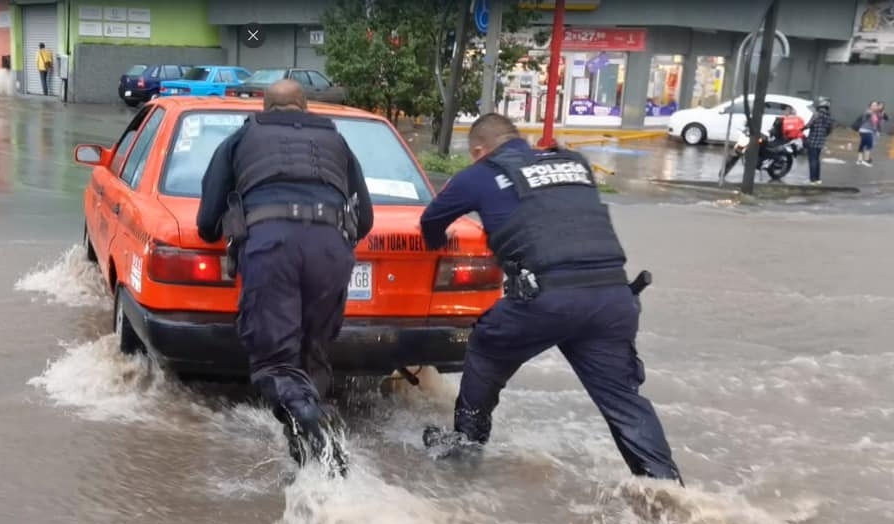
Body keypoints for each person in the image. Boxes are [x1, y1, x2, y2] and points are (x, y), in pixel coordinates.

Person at [418, 113, 683, 485]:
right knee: (625, 403)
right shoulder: (574, 163)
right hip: (613, 299)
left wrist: (441, 242)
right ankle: (666, 490)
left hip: (544, 300)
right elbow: (559, 215)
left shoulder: (478, 174)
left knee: (486, 346)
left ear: (479, 150)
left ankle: (466, 446)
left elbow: (431, 224)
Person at [196, 79, 374, 475]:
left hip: (272, 248)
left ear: (265, 107)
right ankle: (316, 466)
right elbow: (365, 219)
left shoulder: (240, 140)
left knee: (276, 363)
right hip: (331, 250)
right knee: (312, 355)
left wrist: (222, 232)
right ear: (305, 106)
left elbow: (207, 220)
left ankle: (319, 433)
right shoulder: (339, 143)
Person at [804, 96, 834, 185]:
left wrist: (801, 129)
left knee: (812, 160)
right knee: (817, 160)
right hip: (821, 142)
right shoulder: (829, 116)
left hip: (812, 141)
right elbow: (829, 129)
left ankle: (812, 180)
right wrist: (823, 135)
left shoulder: (816, 115)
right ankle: (817, 179)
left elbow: (809, 125)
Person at [854, 100, 889, 167]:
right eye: (874, 105)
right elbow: (868, 119)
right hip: (866, 130)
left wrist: (880, 115)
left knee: (863, 145)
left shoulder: (875, 113)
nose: (876, 106)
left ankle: (859, 160)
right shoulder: (869, 112)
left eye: (876, 105)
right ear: (870, 106)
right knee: (869, 145)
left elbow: (883, 119)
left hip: (867, 130)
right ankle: (866, 160)